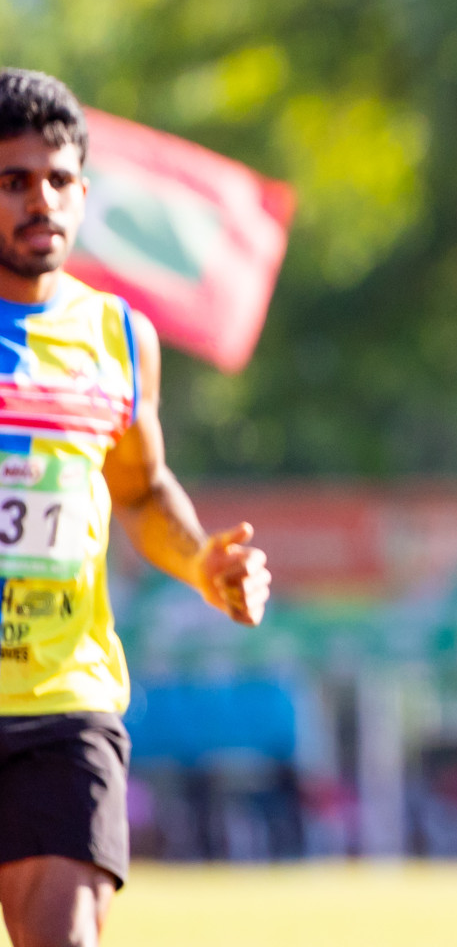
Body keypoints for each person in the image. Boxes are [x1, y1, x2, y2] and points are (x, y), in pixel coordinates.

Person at [0, 69, 271, 947]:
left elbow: (144, 492)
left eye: (58, 179)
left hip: (63, 699)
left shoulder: (118, 337)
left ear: (84, 191)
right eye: (12, 181)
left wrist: (204, 564)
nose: (40, 199)